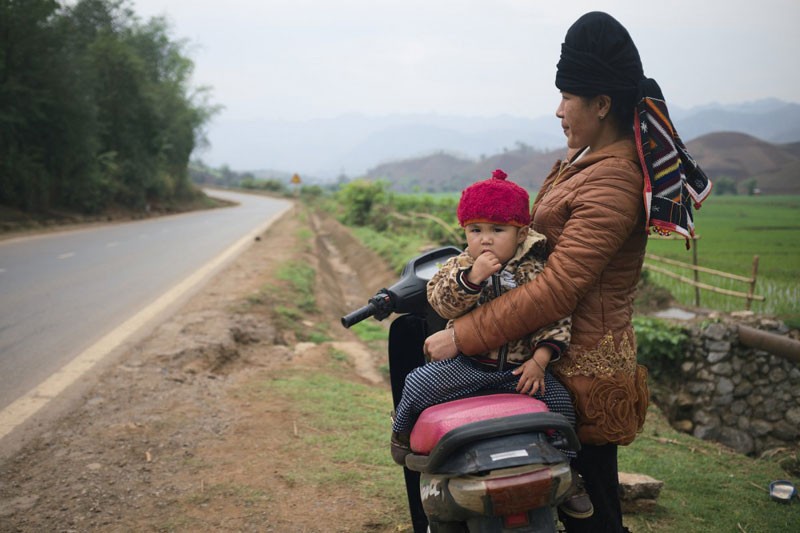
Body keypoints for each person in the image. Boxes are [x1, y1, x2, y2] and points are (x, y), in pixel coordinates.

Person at [423, 12, 711, 533]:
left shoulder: (614, 179)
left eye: (567, 98)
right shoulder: (587, 158)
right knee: (561, 499)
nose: (558, 111)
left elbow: (558, 287)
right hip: (550, 350)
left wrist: (462, 335)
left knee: (593, 508)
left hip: (580, 365)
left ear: (602, 105)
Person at [391, 169, 593, 519]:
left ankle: (568, 472)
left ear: (521, 232)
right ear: (464, 232)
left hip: (520, 372)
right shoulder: (457, 267)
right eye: (476, 230)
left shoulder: (536, 271)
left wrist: (540, 360)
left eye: (497, 230)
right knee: (417, 382)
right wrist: (471, 279)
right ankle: (401, 437)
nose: (485, 240)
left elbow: (554, 318)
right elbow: (440, 303)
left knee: (562, 403)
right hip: (469, 366)